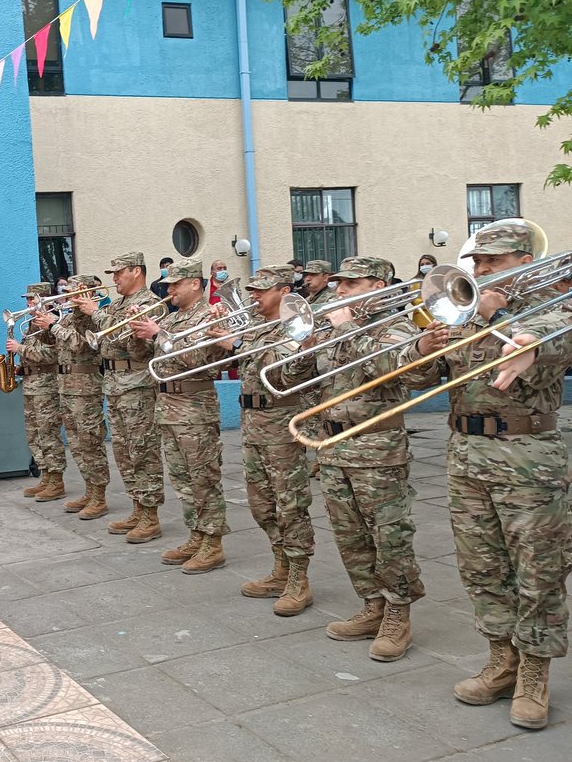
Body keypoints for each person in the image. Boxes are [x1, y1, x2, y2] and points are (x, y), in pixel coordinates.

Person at [404, 222, 572, 730]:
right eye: (477, 263)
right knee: (481, 566)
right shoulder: (463, 309)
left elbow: (556, 343)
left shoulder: (554, 307)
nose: (479, 272)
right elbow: (417, 378)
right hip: (466, 454)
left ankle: (534, 674)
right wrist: (421, 346)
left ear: (523, 260)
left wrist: (522, 337)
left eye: (491, 263)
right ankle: (502, 661)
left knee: (537, 570)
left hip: (528, 457)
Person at [278, 256, 426, 662]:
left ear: (377, 286)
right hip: (332, 447)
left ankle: (399, 612)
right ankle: (371, 604)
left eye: (351, 284)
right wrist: (302, 348)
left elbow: (399, 370)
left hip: (377, 449)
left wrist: (346, 327)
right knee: (350, 535)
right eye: (339, 283)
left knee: (389, 535)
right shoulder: (329, 324)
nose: (339, 290)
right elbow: (290, 381)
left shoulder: (395, 327)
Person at [210, 265, 314, 614]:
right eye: (251, 290)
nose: (253, 296)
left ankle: (299, 577)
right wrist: (221, 328)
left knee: (290, 504)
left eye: (261, 290)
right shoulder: (255, 325)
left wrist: (236, 342)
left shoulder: (297, 325)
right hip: (253, 424)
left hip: (281, 424)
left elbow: (286, 370)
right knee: (261, 505)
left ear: (284, 292)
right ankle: (280, 566)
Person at [133, 259, 229, 568]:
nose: (169, 289)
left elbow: (199, 358)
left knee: (204, 479)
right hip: (168, 409)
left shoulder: (211, 316)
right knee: (182, 480)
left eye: (176, 283)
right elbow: (152, 357)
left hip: (195, 410)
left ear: (195, 284)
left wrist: (158, 333)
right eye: (168, 284)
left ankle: (213, 543)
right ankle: (196, 535)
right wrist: (140, 332)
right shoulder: (172, 320)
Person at [75, 252, 164, 543]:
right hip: (114, 383)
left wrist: (94, 311)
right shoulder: (118, 304)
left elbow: (133, 342)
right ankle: (138, 507)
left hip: (137, 384)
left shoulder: (149, 302)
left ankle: (151, 516)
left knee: (142, 449)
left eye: (118, 273)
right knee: (123, 452)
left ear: (136, 271)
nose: (114, 279)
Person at [33, 275, 111, 519]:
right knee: (77, 445)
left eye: (72, 291)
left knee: (90, 442)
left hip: (86, 386)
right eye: (66, 291)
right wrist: (42, 323)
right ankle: (89, 489)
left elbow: (82, 345)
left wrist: (53, 326)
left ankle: (99, 495)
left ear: (87, 292)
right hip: (66, 386)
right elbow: (53, 346)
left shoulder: (94, 316)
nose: (66, 295)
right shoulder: (67, 316)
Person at [6, 285, 65, 501]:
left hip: (46, 385)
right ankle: (46, 475)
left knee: (48, 432)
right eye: (28, 300)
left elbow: (54, 354)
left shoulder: (52, 321)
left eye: (33, 299)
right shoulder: (30, 323)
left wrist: (20, 349)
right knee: (34, 433)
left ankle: (57, 480)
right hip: (31, 383)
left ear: (45, 300)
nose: (28, 304)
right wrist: (20, 367)